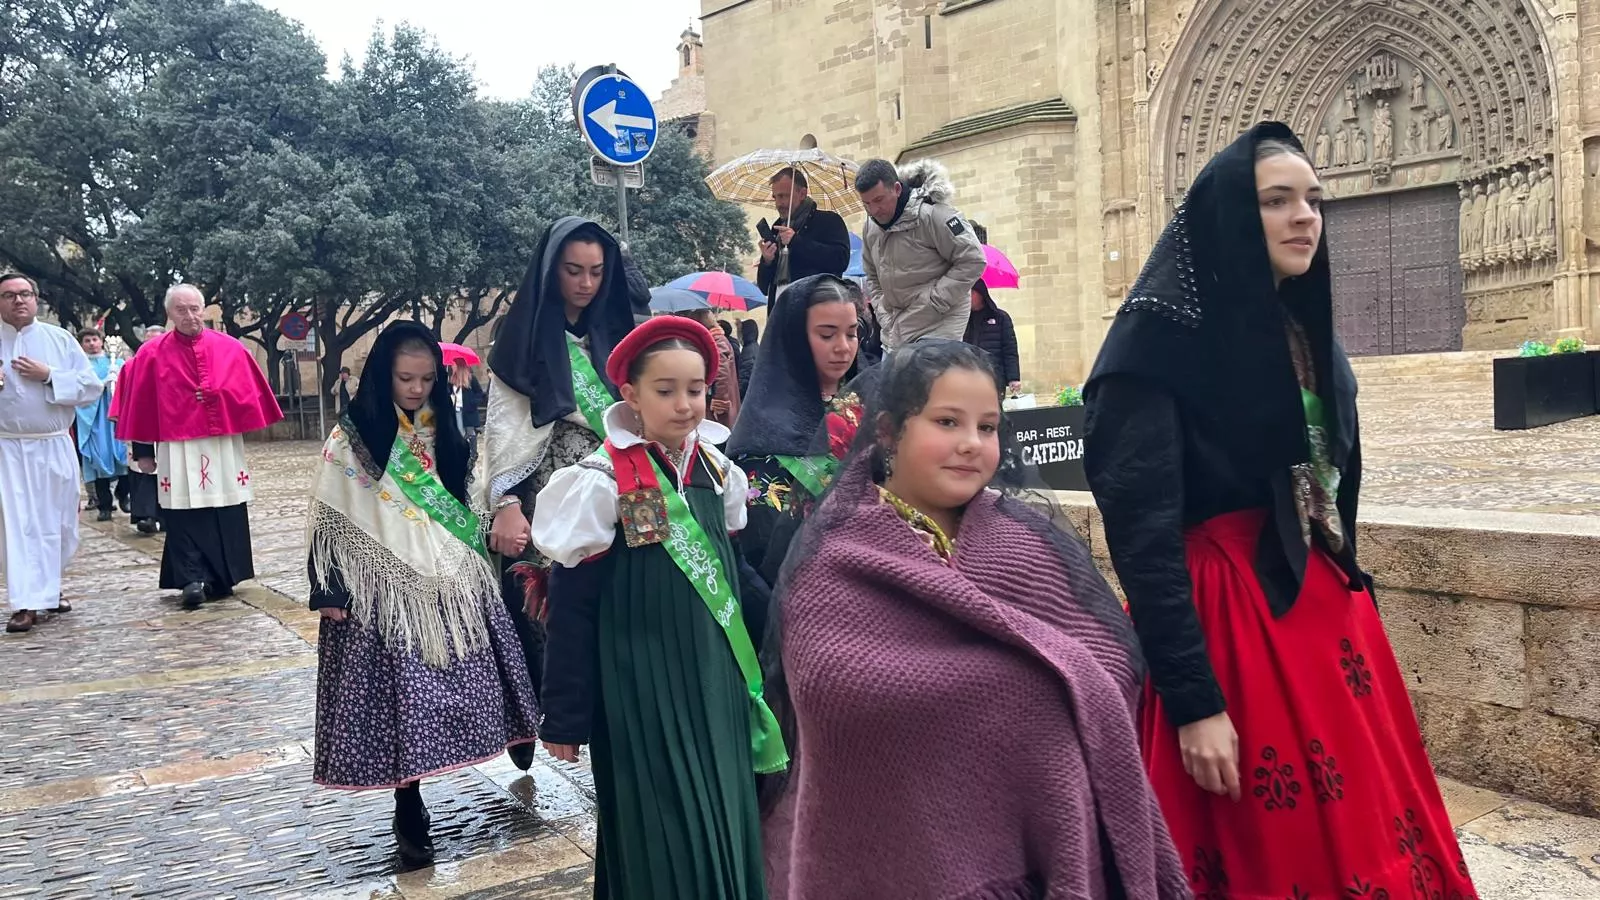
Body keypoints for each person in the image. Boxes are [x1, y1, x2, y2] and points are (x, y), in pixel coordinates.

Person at [1083, 123, 1478, 898]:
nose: (1306, 217)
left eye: (1314, 201)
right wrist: (1195, 703)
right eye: (1277, 201)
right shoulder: (1152, 348)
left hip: (1326, 624)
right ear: (1230, 214)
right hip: (1227, 627)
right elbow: (1143, 538)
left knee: (1371, 838)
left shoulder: (1304, 333)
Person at [759, 340, 1188, 899]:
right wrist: (1017, 684)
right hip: (902, 860)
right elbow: (841, 695)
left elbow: (1105, 659)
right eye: (947, 421)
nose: (971, 445)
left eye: (987, 427)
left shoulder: (1023, 541)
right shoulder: (835, 561)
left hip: (1042, 857)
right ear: (888, 432)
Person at [530, 315, 780, 900]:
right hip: (639, 688)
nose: (685, 404)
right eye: (665, 391)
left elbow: (735, 575)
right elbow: (573, 604)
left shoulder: (720, 471)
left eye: (696, 390)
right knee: (661, 823)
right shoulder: (599, 481)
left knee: (723, 805)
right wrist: (565, 714)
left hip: (716, 684)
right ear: (631, 395)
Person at [307, 321, 540, 867]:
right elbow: (329, 515)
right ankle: (408, 803)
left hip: (452, 567)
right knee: (402, 698)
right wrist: (328, 585)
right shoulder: (351, 436)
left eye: (425, 378)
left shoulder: (445, 427)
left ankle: (514, 731)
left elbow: (462, 493)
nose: (415, 388)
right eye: (404, 378)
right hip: (383, 579)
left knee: (480, 673)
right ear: (383, 376)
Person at [483, 216, 636, 770]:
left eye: (597, 271)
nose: (586, 283)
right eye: (573, 270)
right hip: (546, 482)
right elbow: (505, 424)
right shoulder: (523, 336)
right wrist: (506, 503)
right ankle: (536, 715)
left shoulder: (615, 334)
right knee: (546, 609)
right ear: (552, 271)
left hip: (613, 477)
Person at [116, 284, 282, 610]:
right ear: (169, 314)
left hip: (221, 444)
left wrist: (222, 398)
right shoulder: (150, 355)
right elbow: (140, 405)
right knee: (181, 512)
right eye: (182, 310)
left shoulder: (231, 348)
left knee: (226, 508)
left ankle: (222, 577)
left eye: (195, 309)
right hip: (176, 446)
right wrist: (144, 452)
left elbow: (248, 394)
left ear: (203, 309)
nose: (190, 316)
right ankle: (191, 579)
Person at [727, 275, 863, 594]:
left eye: (852, 333)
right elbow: (764, 546)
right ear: (795, 338)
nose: (843, 348)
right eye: (827, 335)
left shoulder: (868, 406)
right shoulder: (764, 431)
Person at [0, 273, 105, 633]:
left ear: (36, 298)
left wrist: (49, 376)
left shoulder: (59, 340)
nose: (18, 301)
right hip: (8, 447)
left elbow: (91, 387)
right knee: (16, 525)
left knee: (59, 523)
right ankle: (25, 603)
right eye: (9, 295)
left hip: (53, 443)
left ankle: (50, 588)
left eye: (25, 294)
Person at [855, 158, 987, 351]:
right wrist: (882, 311)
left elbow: (973, 260)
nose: (873, 210)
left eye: (879, 200)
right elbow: (872, 275)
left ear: (897, 189)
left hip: (939, 327)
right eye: (866, 203)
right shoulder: (870, 227)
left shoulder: (936, 215)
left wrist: (934, 301)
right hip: (894, 330)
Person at [755, 167, 851, 301]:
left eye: (783, 196)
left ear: (802, 193)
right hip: (781, 314)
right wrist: (767, 261)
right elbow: (764, 287)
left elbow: (840, 260)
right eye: (775, 197)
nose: (778, 203)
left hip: (818, 308)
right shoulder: (777, 230)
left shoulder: (828, 221)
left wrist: (796, 241)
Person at [75, 327, 129, 521]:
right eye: (87, 341)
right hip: (94, 421)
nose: (91, 344)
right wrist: (101, 385)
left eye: (94, 340)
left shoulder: (116, 362)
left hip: (116, 419)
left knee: (124, 457)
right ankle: (104, 505)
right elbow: (78, 391)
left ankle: (124, 493)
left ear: (101, 341)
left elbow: (131, 386)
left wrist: (119, 378)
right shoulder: (79, 366)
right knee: (98, 460)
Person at [113, 327, 162, 534]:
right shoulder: (131, 366)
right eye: (148, 342)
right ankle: (147, 516)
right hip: (142, 428)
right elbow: (122, 399)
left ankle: (167, 517)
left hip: (167, 429)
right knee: (143, 474)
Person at [963, 279, 1022, 395]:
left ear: (981, 294)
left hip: (994, 376)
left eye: (971, 293)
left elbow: (1010, 350)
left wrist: (1013, 378)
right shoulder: (960, 319)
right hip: (967, 376)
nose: (967, 297)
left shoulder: (1001, 318)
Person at [449, 360, 485, 444]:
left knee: (470, 432)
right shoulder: (452, 380)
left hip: (468, 410)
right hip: (456, 410)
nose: (452, 367)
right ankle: (464, 451)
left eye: (453, 365)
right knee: (460, 432)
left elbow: (480, 393)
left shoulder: (471, 379)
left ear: (459, 366)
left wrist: (473, 402)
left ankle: (473, 454)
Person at [736, 318, 760, 397]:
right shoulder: (754, 347)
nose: (738, 336)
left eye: (739, 333)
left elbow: (745, 380)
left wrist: (737, 395)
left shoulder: (748, 351)